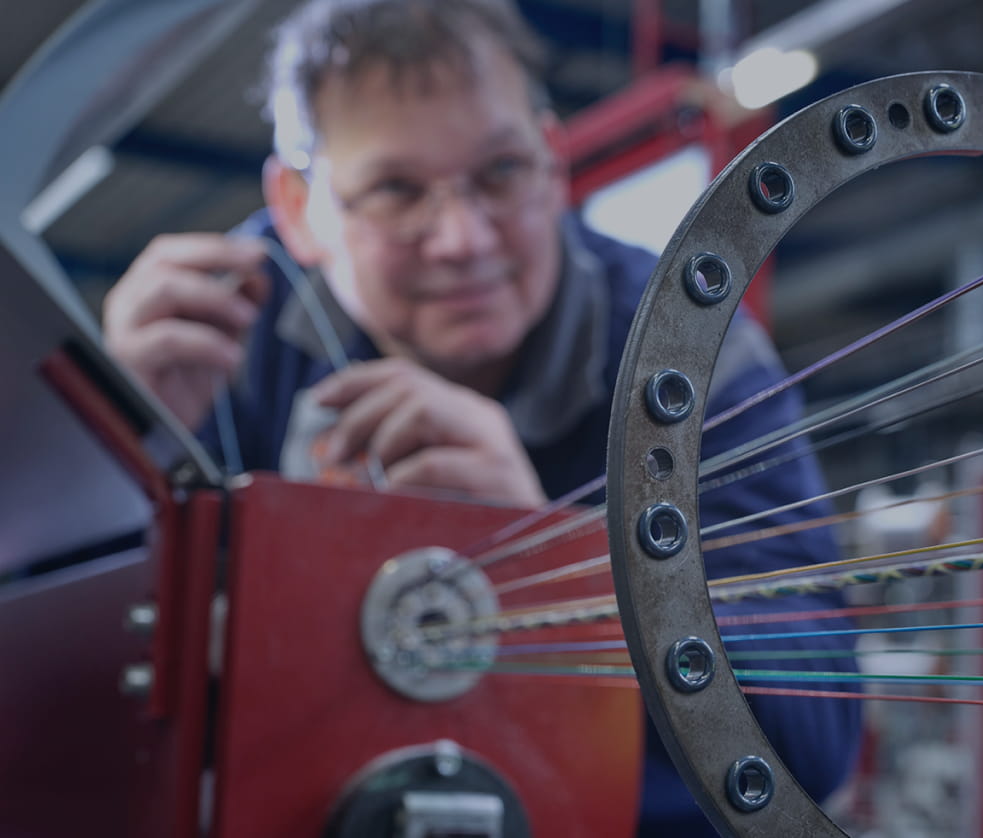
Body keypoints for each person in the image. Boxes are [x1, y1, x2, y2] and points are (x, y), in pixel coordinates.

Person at [99, 0, 860, 834]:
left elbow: (808, 743)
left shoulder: (692, 347)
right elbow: (83, 699)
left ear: (550, 160)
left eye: (499, 172)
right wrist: (107, 457)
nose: (461, 238)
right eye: (395, 189)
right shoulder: (218, 344)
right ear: (297, 209)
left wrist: (553, 566)